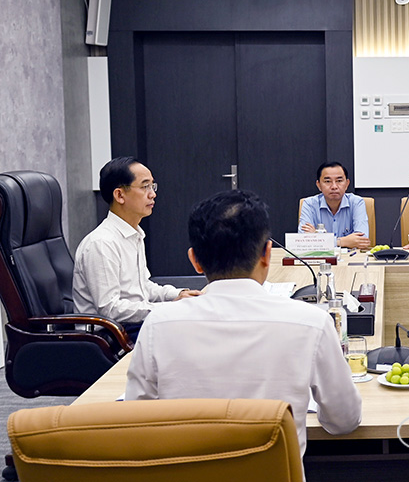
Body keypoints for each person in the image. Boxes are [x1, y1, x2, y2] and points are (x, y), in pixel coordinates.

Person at [125, 189, 362, 474]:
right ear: (267, 255)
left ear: (195, 260)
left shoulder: (158, 325)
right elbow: (344, 420)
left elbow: (138, 423)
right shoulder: (311, 323)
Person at [73, 157, 199, 337]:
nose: (152, 194)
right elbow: (110, 308)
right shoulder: (101, 243)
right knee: (190, 330)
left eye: (152, 186)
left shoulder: (134, 234)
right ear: (119, 195)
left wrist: (179, 295)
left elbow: (143, 288)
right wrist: (169, 308)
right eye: (145, 186)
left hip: (133, 325)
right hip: (112, 334)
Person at [298, 161, 370, 250]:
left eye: (339, 181)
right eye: (328, 181)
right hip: (320, 258)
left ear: (347, 184)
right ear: (319, 185)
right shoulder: (309, 204)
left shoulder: (357, 203)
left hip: (350, 257)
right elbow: (303, 240)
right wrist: (342, 241)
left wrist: (318, 238)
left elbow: (362, 240)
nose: (334, 186)